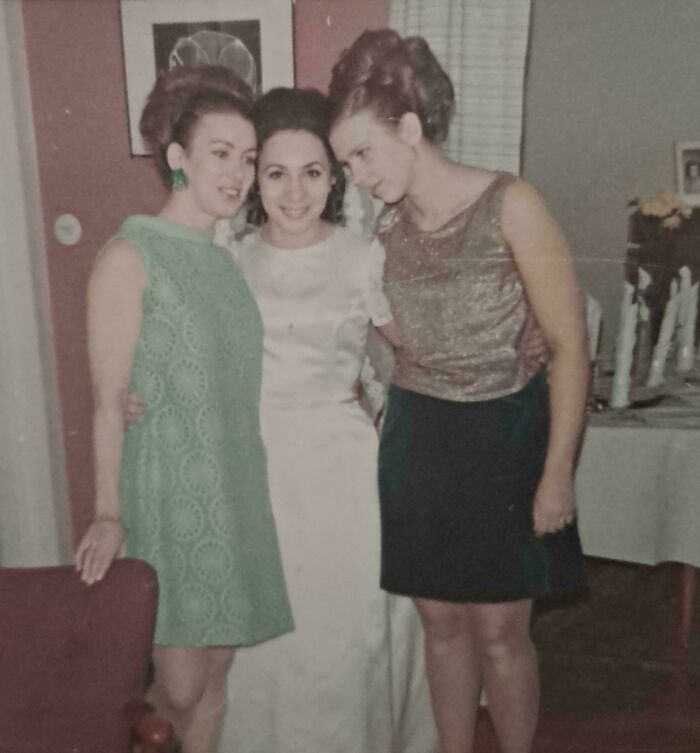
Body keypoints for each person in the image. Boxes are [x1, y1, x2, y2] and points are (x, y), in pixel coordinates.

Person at [328, 28, 589, 753]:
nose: (355, 174)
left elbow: (570, 349)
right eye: (345, 161)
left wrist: (558, 472)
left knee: (502, 634)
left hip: (506, 437)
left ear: (410, 129)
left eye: (362, 154)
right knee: (440, 628)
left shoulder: (513, 203)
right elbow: (374, 339)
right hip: (420, 442)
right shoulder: (380, 235)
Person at [74, 65, 293, 753]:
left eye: (248, 158)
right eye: (220, 154)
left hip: (234, 489)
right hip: (169, 493)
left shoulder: (225, 261)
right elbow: (109, 401)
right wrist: (109, 513)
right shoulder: (128, 255)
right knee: (179, 686)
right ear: (178, 157)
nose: (238, 173)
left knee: (219, 671)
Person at [213, 86, 397, 753]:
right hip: (258, 467)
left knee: (339, 632)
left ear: (335, 175)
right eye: (277, 172)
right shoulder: (230, 257)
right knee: (264, 641)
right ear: (257, 177)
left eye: (313, 171)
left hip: (341, 469)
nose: (295, 192)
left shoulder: (362, 256)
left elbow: (403, 360)